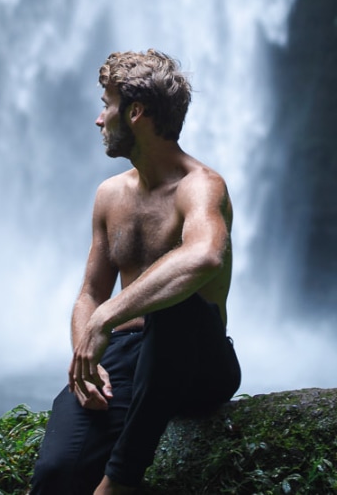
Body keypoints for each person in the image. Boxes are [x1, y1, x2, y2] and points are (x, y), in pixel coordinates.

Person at [29, 49, 241, 495]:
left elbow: (204, 257)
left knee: (174, 304)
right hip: (126, 359)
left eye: (106, 105)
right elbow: (90, 292)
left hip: (199, 361)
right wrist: (84, 356)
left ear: (136, 112)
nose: (99, 119)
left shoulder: (201, 186)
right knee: (55, 475)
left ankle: (120, 483)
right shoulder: (110, 195)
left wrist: (106, 318)